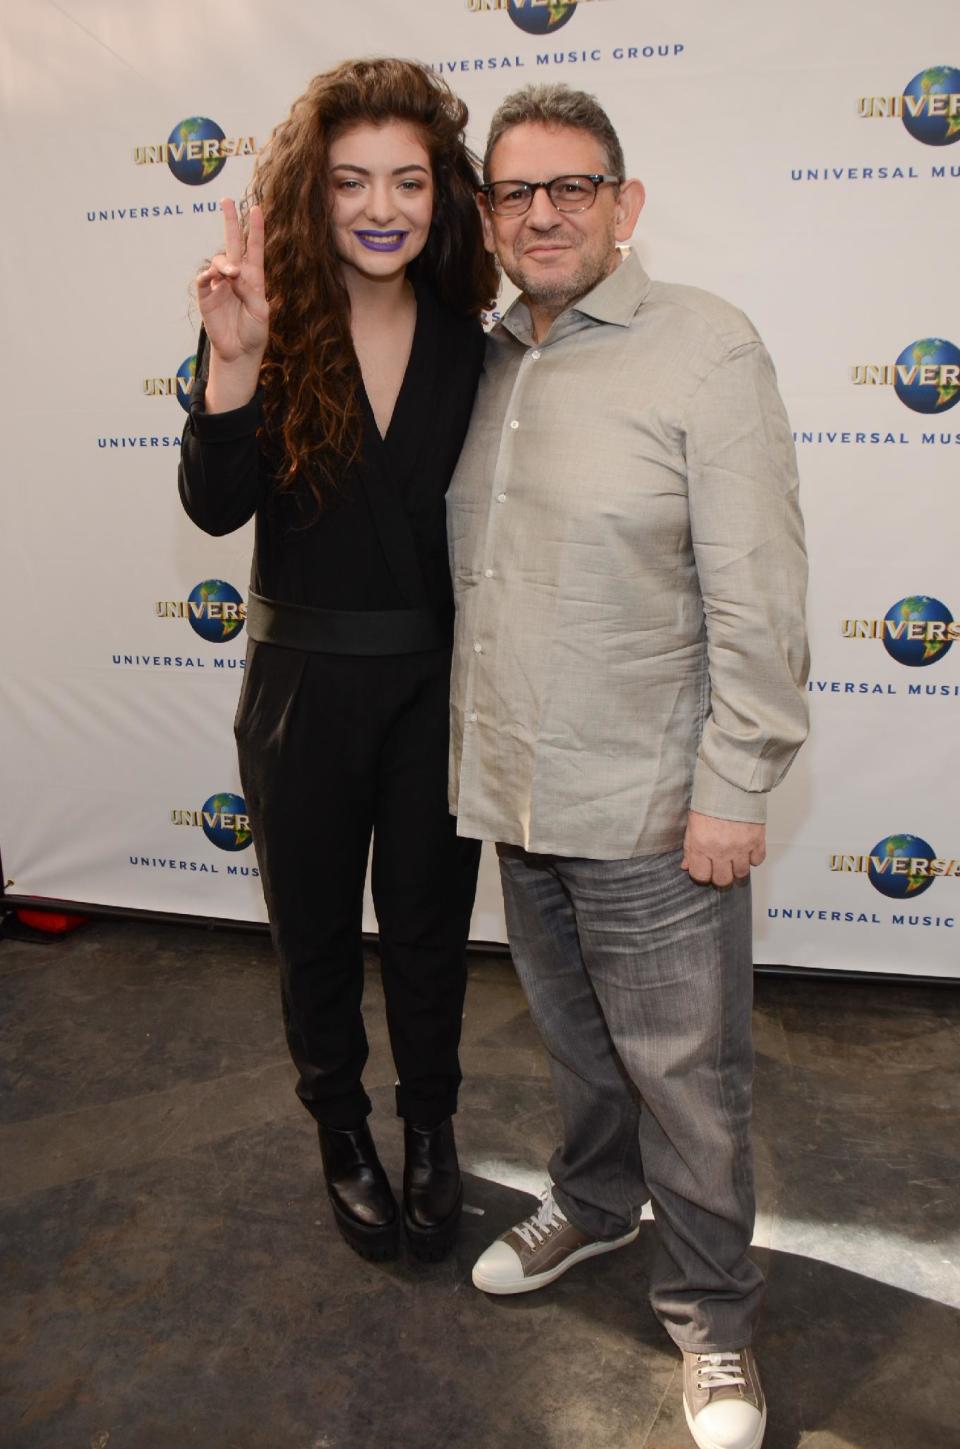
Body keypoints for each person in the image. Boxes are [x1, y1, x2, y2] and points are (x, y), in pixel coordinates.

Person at [448, 85, 808, 1449]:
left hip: (657, 805)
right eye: (517, 193)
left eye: (573, 188)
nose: (544, 214)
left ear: (624, 204)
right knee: (580, 1051)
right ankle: (596, 1210)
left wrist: (736, 782)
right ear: (487, 218)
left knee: (688, 1078)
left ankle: (716, 1317)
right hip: (520, 793)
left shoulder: (705, 351)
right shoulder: (480, 364)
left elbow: (760, 585)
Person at [178, 59, 498, 1264]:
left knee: (428, 929)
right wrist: (235, 361)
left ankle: (431, 1128)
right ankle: (342, 1130)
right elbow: (214, 512)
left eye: (408, 181)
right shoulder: (267, 320)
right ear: (312, 195)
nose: (381, 206)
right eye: (352, 180)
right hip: (301, 689)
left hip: (435, 689)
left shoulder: (475, 342)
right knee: (312, 930)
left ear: (441, 196)